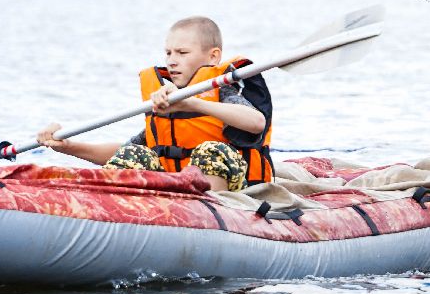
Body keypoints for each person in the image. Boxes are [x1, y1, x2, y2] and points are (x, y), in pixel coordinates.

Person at [36, 15, 273, 191]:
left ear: (213, 56)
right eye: (168, 53)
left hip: (232, 192)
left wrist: (193, 104)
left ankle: (211, 209)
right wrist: (67, 146)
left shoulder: (223, 89)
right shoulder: (166, 99)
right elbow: (127, 150)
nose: (172, 61)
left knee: (211, 150)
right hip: (179, 187)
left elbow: (256, 122)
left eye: (182, 53)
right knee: (134, 153)